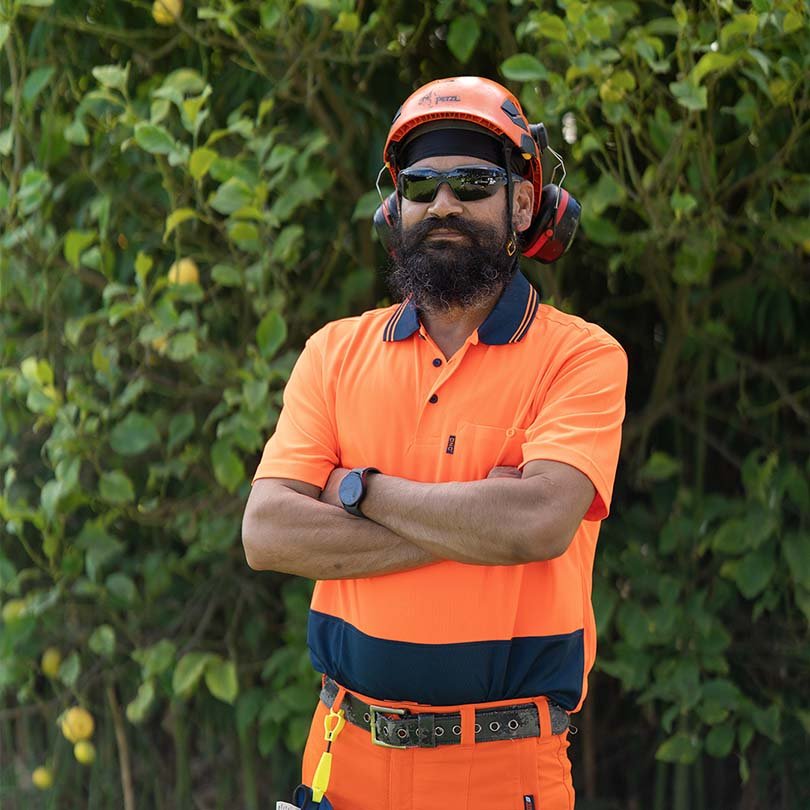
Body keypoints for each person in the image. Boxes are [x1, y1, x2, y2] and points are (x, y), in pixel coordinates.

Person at [242, 76, 627, 810]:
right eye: (422, 185)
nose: (443, 203)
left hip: (505, 769)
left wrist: (358, 491)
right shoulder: (333, 352)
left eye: (474, 182)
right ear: (396, 207)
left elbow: (538, 522)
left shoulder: (581, 357)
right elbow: (266, 534)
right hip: (341, 757)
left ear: (521, 203)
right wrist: (481, 517)